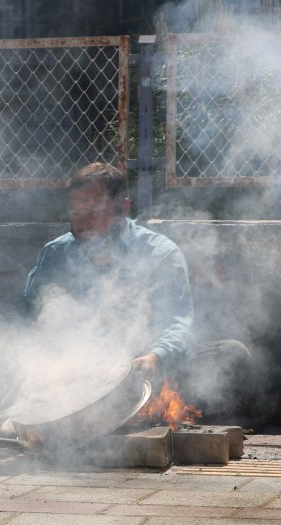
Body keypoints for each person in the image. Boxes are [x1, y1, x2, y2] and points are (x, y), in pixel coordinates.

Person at [19, 162, 261, 423]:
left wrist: (156, 357)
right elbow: (25, 313)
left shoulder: (159, 253)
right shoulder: (55, 254)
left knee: (231, 354)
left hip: (147, 375)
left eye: (94, 209)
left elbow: (179, 325)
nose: (83, 220)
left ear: (123, 208)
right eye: (76, 211)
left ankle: (176, 424)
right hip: (81, 380)